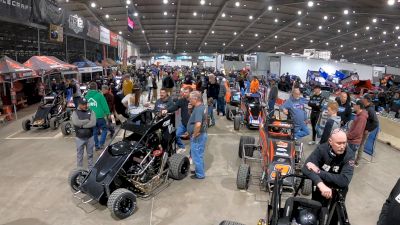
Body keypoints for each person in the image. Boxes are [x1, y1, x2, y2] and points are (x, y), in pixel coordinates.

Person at [302, 129, 355, 225]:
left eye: (344, 143)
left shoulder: (349, 155)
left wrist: (319, 172)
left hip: (339, 190)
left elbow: (344, 180)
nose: (342, 146)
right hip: (322, 187)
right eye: (339, 143)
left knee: (335, 216)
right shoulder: (322, 149)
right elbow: (306, 167)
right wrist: (321, 184)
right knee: (316, 210)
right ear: (330, 141)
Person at [162, 87, 192, 153]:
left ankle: (191, 157)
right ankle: (182, 147)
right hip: (183, 124)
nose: (184, 93)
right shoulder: (182, 100)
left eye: (186, 92)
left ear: (190, 93)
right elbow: (174, 107)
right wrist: (167, 110)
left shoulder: (194, 101)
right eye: (184, 92)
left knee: (193, 142)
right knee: (175, 135)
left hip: (192, 125)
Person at [71, 97, 96, 170]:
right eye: (83, 104)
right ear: (79, 104)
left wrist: (81, 125)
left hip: (90, 137)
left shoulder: (91, 111)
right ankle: (79, 169)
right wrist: (87, 121)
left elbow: (93, 123)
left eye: (86, 104)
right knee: (79, 155)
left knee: (90, 154)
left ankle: (90, 169)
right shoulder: (75, 112)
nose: (85, 106)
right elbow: (76, 123)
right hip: (79, 138)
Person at [187, 91, 208, 179]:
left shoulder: (199, 109)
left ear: (195, 99)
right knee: (198, 154)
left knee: (196, 155)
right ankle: (199, 170)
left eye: (190, 99)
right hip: (201, 135)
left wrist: (195, 134)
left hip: (198, 136)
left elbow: (198, 124)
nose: (189, 100)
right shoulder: (201, 107)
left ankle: (200, 174)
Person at [85, 82, 111, 150]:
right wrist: (108, 113)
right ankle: (101, 143)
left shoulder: (86, 96)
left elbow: (85, 107)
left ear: (89, 88)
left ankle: (96, 145)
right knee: (104, 129)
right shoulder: (100, 95)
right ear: (96, 88)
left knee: (94, 132)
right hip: (100, 116)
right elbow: (105, 105)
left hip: (91, 117)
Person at [356, 94, 379, 166]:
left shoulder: (371, 110)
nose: (362, 99)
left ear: (366, 100)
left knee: (361, 145)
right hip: (361, 129)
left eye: (363, 99)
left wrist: (368, 130)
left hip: (364, 131)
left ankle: (357, 161)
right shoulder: (365, 107)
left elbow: (376, 123)